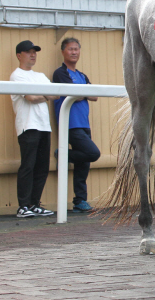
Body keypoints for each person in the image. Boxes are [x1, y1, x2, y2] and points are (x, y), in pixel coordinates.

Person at [10, 40, 58, 218]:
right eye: (29, 52)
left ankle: (34, 203)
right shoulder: (17, 75)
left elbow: (56, 94)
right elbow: (30, 97)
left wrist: (42, 95)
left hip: (44, 126)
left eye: (35, 52)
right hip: (28, 125)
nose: (33, 55)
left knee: (42, 166)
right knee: (28, 165)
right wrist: (45, 94)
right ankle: (23, 206)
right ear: (19, 55)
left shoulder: (40, 76)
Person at [52, 38, 101, 213]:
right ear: (63, 52)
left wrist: (83, 92)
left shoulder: (81, 75)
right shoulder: (60, 73)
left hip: (84, 123)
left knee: (84, 163)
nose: (74, 52)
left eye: (76, 49)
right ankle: (63, 154)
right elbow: (75, 94)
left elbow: (94, 96)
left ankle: (80, 201)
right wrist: (83, 91)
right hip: (71, 124)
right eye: (70, 49)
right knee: (93, 153)